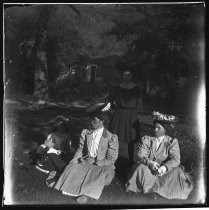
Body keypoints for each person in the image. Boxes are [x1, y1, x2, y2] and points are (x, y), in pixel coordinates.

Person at [52, 105, 119, 204]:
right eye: (91, 120)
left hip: (103, 164)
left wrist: (98, 163)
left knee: (101, 173)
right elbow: (80, 150)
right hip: (87, 160)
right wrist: (75, 159)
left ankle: (86, 194)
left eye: (94, 121)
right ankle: (70, 190)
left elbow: (112, 158)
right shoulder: (87, 133)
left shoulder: (111, 137)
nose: (91, 123)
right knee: (72, 167)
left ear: (102, 121)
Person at [125, 112, 193, 200]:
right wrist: (150, 163)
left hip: (165, 171)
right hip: (148, 168)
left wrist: (164, 167)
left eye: (158, 128)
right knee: (141, 168)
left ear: (165, 130)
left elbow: (176, 159)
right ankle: (149, 188)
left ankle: (161, 189)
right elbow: (140, 155)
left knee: (177, 171)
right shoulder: (147, 139)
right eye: (154, 127)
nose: (155, 130)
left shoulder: (172, 141)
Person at [107, 69, 143, 166]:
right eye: (124, 75)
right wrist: (110, 104)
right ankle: (113, 159)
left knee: (131, 138)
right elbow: (111, 98)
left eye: (128, 75)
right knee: (115, 137)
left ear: (131, 76)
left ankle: (130, 161)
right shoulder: (118, 87)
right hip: (119, 113)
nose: (126, 77)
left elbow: (139, 103)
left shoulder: (136, 88)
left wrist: (137, 114)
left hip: (131, 114)